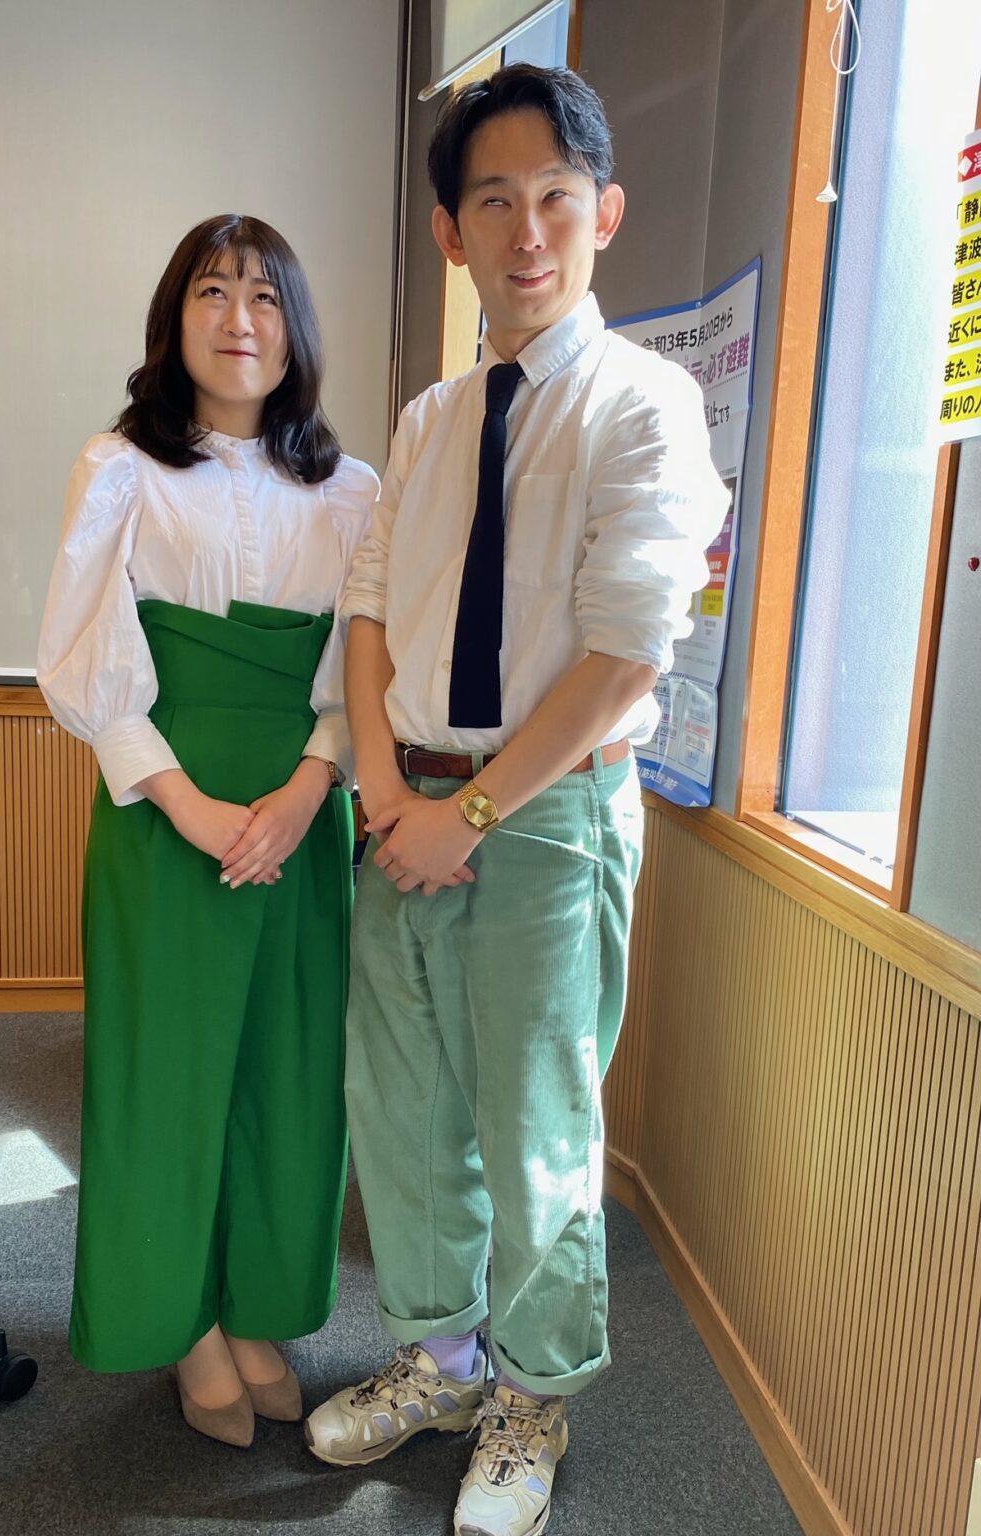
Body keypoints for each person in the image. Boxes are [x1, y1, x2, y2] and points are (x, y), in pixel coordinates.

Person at [304, 64, 728, 1536]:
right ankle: (442, 1361)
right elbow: (370, 610)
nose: (525, 230)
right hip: (399, 809)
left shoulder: (647, 405)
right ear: (451, 232)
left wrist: (468, 816)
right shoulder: (428, 420)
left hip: (543, 820)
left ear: (604, 214)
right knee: (403, 1109)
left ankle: (535, 1394)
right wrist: (382, 796)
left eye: (556, 196)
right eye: (493, 201)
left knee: (537, 1124)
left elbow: (628, 656)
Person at [37, 214, 377, 1449]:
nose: (241, 319)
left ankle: (256, 1306)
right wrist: (189, 807)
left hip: (304, 817)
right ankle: (178, 1321)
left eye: (265, 297)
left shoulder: (354, 491)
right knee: (165, 1076)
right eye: (214, 293)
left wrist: (305, 792)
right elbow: (85, 659)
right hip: (163, 814)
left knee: (287, 1075)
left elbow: (366, 668)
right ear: (173, 321)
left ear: (296, 330)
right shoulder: (121, 468)